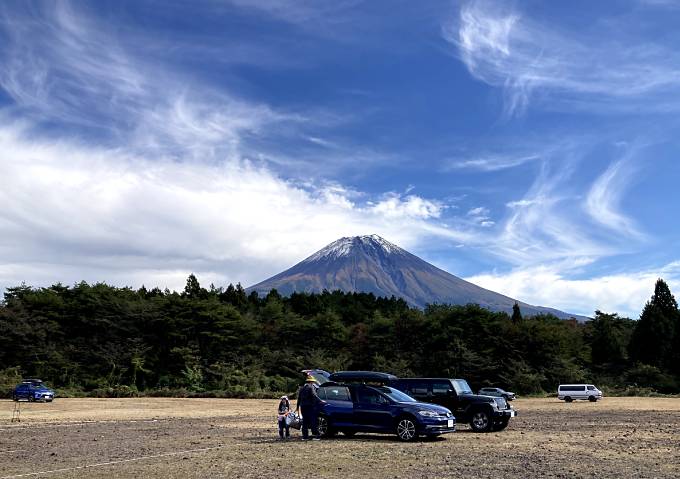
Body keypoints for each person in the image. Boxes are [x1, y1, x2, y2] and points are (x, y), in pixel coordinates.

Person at [295, 375, 326, 441]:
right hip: (310, 407)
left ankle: (305, 437)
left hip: (303, 407)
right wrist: (321, 401)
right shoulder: (310, 387)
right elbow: (314, 396)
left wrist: (297, 407)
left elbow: (299, 398)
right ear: (311, 382)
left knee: (305, 422)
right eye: (313, 382)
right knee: (313, 421)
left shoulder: (301, 388)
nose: (313, 383)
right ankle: (316, 436)